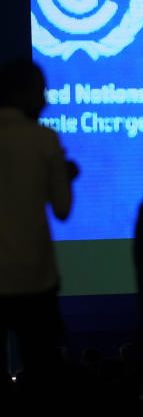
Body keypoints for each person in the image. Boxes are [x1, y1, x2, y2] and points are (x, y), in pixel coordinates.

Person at [0, 59, 78, 390]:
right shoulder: (43, 139)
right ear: (27, 95)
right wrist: (65, 176)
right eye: (41, 92)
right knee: (43, 379)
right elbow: (62, 209)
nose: (45, 101)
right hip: (35, 281)